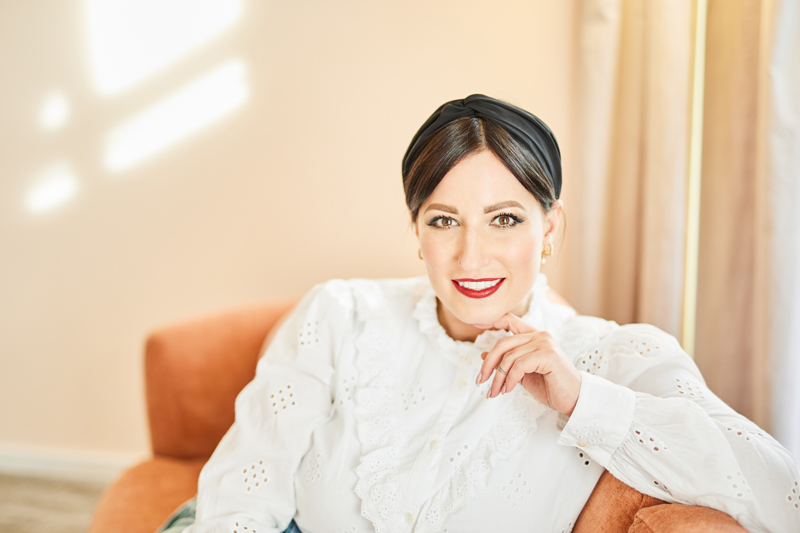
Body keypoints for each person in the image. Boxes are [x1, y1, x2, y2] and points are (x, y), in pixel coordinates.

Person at [158, 95, 800, 533]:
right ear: (416, 230)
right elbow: (247, 483)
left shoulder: (614, 356)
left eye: (505, 219)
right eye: (444, 221)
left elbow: (783, 497)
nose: (471, 256)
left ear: (551, 228)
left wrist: (583, 401)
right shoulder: (340, 312)